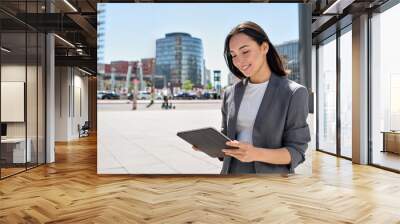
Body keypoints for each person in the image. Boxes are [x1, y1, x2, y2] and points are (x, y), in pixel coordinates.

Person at [193, 21, 310, 174]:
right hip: (231, 178)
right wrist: (210, 146)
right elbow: (227, 143)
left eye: (245, 51)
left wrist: (255, 154)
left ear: (264, 47)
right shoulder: (231, 93)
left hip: (270, 185)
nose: (238, 61)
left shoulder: (294, 93)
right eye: (233, 55)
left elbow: (296, 152)